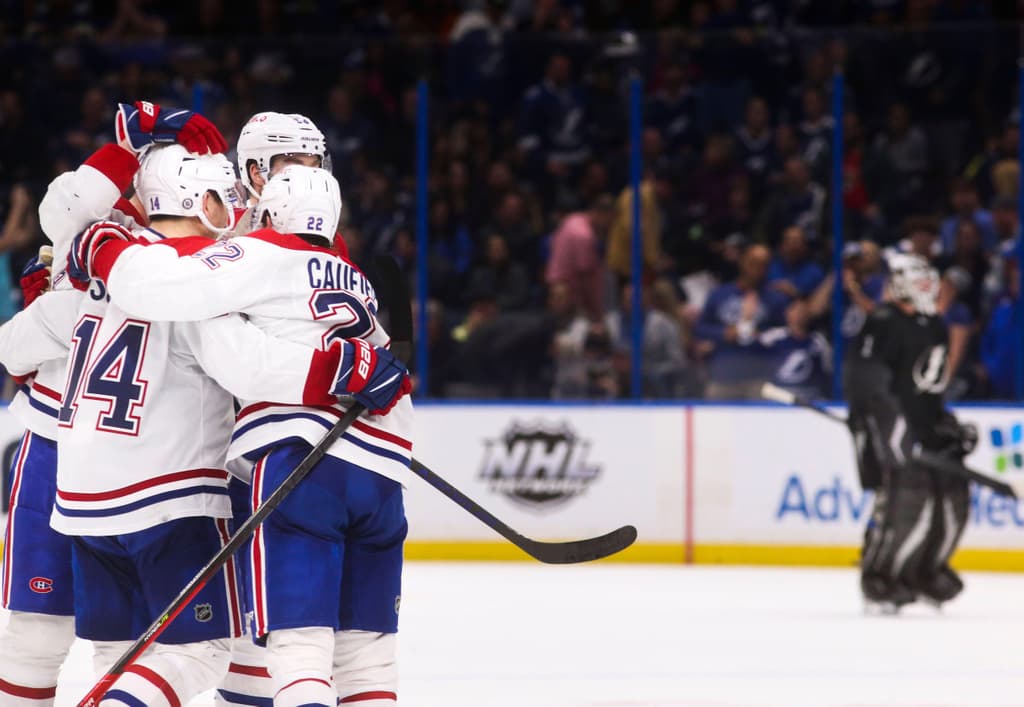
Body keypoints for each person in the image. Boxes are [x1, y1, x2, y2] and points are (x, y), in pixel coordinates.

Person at [0, 147, 366, 706]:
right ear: (198, 200)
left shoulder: (100, 271)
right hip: (169, 493)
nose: (236, 208)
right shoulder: (204, 279)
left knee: (120, 656)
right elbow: (247, 367)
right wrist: (340, 370)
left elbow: (13, 348)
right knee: (206, 650)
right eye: (225, 197)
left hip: (81, 502)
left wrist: (50, 308)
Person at [73, 164, 412, 706]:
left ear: (271, 213)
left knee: (300, 650)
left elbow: (173, 305)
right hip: (383, 467)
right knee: (368, 657)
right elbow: (388, 376)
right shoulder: (357, 280)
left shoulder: (257, 253)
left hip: (301, 461)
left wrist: (107, 250)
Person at [0, 102, 226, 706]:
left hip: (100, 452)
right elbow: (64, 210)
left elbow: (16, 348)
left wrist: (53, 315)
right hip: (81, 448)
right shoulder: (129, 242)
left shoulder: (109, 253)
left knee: (113, 645)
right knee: (45, 634)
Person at [844, 253, 974, 613]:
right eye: (919, 281)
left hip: (921, 426)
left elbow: (930, 387)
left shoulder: (934, 325)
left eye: (929, 280)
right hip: (884, 426)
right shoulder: (882, 322)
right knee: (905, 498)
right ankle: (880, 577)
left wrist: (946, 424)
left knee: (952, 496)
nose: (928, 287)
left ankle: (924, 570)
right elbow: (864, 381)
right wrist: (888, 423)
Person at [695, 243, 788, 399]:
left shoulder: (776, 299)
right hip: (723, 375)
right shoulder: (720, 294)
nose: (758, 269)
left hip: (760, 378)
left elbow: (785, 335)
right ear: (743, 262)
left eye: (763, 264)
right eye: (753, 262)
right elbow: (701, 328)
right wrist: (724, 333)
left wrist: (761, 336)